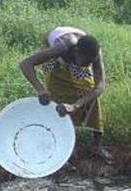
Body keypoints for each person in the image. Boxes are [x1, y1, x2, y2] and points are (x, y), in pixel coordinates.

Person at [19, 26, 112, 163]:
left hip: (75, 54)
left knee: (89, 92)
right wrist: (41, 90)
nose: (87, 65)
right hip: (57, 60)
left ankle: (96, 146)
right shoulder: (62, 47)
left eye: (89, 63)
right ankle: (64, 146)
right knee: (58, 97)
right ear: (76, 52)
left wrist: (76, 105)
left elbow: (99, 87)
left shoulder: (95, 54)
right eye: (85, 62)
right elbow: (25, 64)